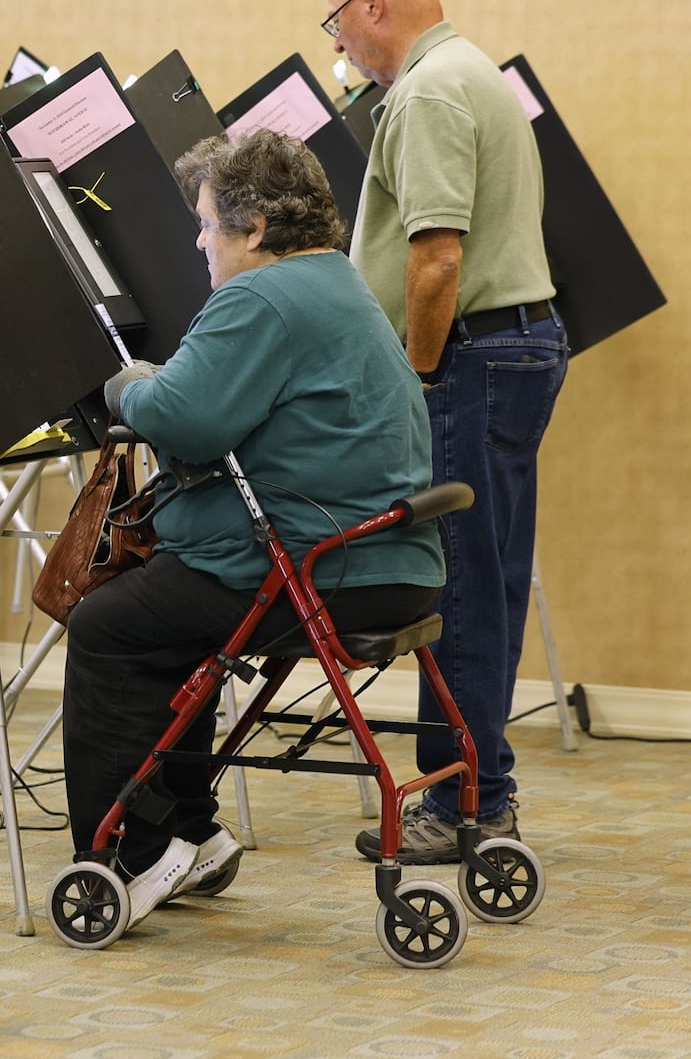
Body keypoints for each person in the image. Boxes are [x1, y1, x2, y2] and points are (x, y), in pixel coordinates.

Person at [65, 129, 445, 931]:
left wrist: (126, 382)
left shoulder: (260, 297)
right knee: (177, 623)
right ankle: (191, 830)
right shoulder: (338, 283)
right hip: (388, 563)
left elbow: (185, 417)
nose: (198, 240)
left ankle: (131, 852)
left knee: (108, 626)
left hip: (311, 572)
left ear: (255, 230)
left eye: (206, 223)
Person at [323, 0, 568, 864]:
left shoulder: (425, 91)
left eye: (336, 20)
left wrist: (414, 378)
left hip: (469, 356)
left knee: (459, 584)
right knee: (491, 579)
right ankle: (484, 789)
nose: (339, 44)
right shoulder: (474, 70)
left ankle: (466, 801)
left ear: (373, 5)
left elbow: (437, 259)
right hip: (515, 346)